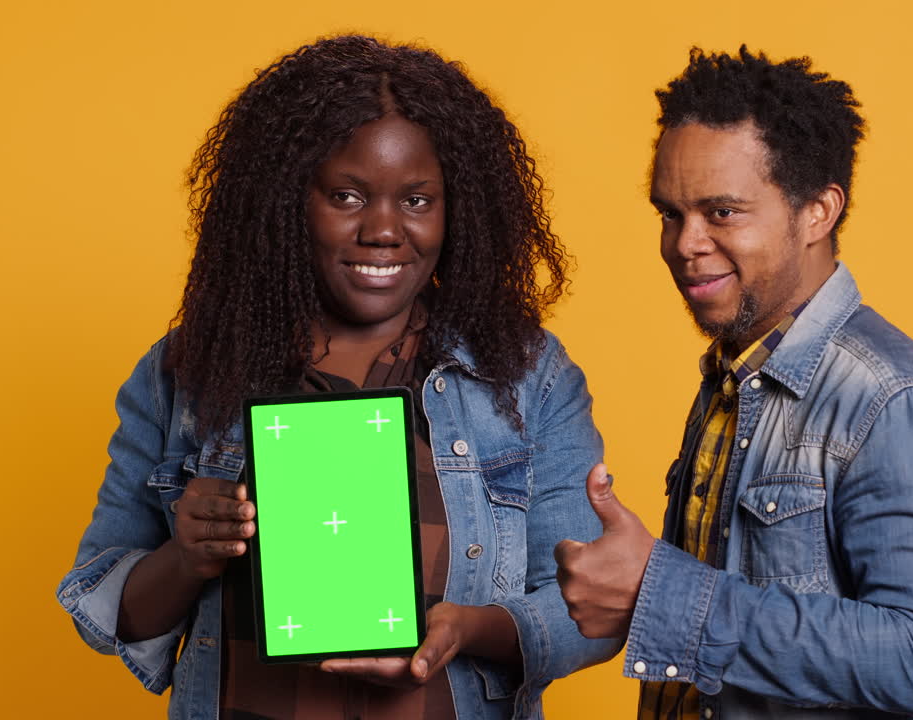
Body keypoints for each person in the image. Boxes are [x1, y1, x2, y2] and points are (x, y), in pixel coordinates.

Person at [57, 35, 619, 720]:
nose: (383, 230)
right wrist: (187, 556)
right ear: (288, 200)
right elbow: (105, 613)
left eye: (417, 200)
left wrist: (463, 631)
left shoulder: (527, 376)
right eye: (347, 196)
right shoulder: (189, 372)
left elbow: (591, 612)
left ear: (457, 209)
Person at [554, 47, 913, 719]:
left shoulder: (893, 401)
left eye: (722, 212)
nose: (684, 243)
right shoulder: (738, 375)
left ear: (818, 211)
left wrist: (658, 589)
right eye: (669, 213)